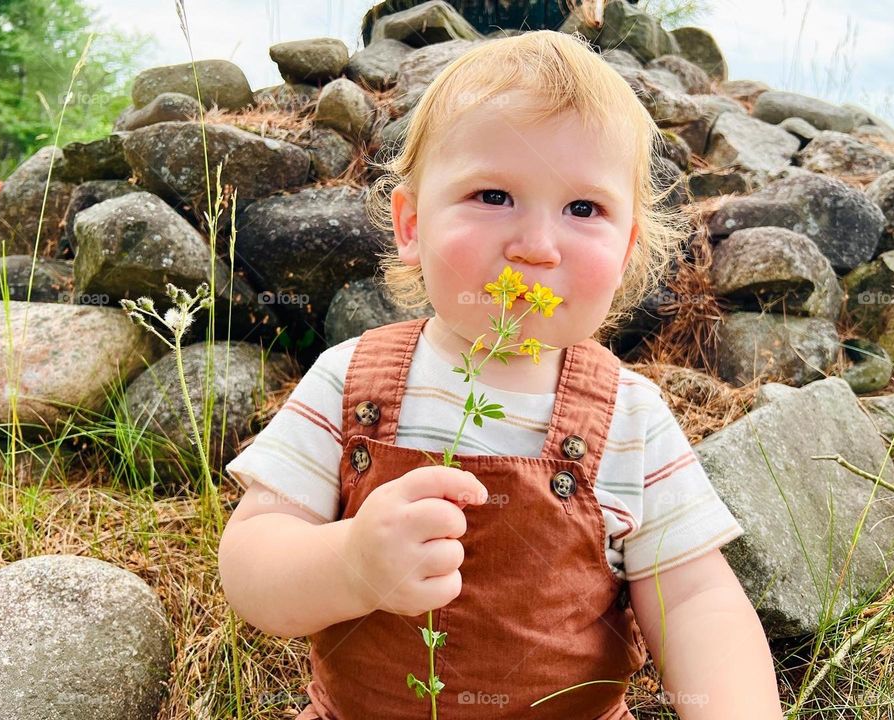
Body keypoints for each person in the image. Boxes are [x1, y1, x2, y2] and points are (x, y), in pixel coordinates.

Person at [218, 30, 784, 720]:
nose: (535, 247)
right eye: (493, 195)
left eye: (583, 209)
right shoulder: (349, 381)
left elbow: (696, 600)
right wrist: (350, 567)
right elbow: (252, 561)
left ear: (629, 246)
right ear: (411, 224)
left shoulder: (631, 414)